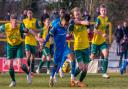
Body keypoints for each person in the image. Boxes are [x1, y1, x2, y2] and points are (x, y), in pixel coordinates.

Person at [0, 14, 32, 87]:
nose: (15, 24)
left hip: (18, 46)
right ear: (11, 21)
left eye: (16, 22)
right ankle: (13, 81)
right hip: (10, 46)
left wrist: (26, 30)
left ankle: (28, 73)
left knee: (20, 64)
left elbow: (25, 30)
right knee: (10, 65)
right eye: (13, 22)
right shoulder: (6, 26)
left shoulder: (20, 26)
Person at [43, 14, 71, 87]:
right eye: (66, 22)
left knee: (71, 56)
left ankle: (72, 77)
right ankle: (52, 77)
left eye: (68, 22)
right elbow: (49, 35)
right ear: (62, 20)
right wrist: (44, 43)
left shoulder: (66, 26)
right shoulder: (56, 27)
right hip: (57, 48)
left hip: (65, 47)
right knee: (56, 64)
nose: (67, 24)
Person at [68, 7, 90, 87]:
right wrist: (72, 25)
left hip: (86, 47)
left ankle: (80, 82)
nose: (77, 15)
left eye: (78, 14)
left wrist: (79, 22)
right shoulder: (72, 23)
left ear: (80, 14)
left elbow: (87, 23)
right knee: (81, 67)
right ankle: (72, 79)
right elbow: (69, 31)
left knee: (86, 69)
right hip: (78, 48)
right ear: (74, 16)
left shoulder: (84, 20)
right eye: (76, 15)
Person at [90, 4, 110, 79]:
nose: (103, 12)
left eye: (104, 10)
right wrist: (102, 34)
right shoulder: (98, 19)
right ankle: (82, 66)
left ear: (106, 11)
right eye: (102, 10)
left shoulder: (106, 19)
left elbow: (104, 29)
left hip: (102, 42)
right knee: (92, 57)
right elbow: (94, 30)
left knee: (106, 53)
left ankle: (104, 72)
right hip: (95, 42)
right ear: (100, 11)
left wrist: (106, 35)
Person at [22, 9, 41, 77]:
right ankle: (28, 67)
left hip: (33, 42)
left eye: (30, 13)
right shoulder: (24, 21)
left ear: (32, 14)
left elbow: (39, 29)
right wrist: (25, 34)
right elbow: (22, 30)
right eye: (28, 13)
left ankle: (32, 71)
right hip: (27, 41)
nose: (29, 14)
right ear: (27, 14)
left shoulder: (35, 20)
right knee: (28, 56)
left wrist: (34, 31)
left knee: (33, 58)